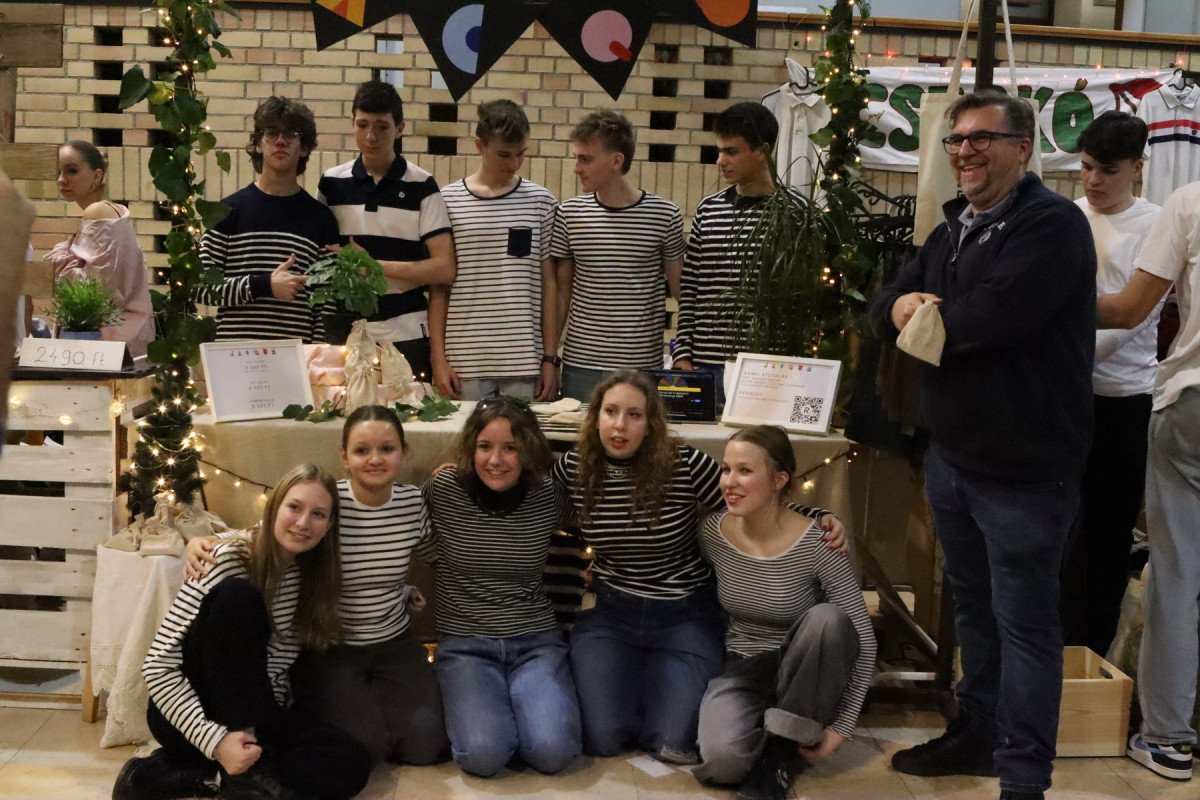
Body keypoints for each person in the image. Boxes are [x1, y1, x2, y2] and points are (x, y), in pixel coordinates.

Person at [867, 89, 1096, 800]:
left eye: (980, 138)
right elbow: (883, 305)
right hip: (954, 459)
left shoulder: (1052, 226)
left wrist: (921, 319)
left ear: (1023, 148)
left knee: (1025, 626)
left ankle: (1023, 778)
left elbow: (986, 323)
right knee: (972, 609)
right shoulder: (951, 228)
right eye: (956, 139)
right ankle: (977, 734)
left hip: (1026, 470)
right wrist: (905, 308)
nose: (964, 151)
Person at [549, 369, 842, 764]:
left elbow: (749, 501)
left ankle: (657, 690)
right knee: (602, 739)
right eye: (611, 412)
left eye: (634, 415)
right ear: (595, 416)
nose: (620, 426)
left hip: (683, 613)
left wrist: (816, 515)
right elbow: (538, 514)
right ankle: (635, 684)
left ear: (651, 423)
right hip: (612, 611)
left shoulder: (683, 463)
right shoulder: (573, 468)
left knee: (673, 742)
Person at [186, 406, 448, 768]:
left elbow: (436, 554)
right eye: (362, 450)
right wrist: (204, 541)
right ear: (344, 456)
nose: (375, 459)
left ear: (404, 452)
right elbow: (271, 532)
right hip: (332, 644)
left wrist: (458, 483)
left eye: (387, 449)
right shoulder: (327, 502)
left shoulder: (412, 503)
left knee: (425, 748)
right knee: (365, 752)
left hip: (393, 641)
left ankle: (385, 702)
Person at [113, 464, 371, 800]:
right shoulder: (224, 558)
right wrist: (217, 741)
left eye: (318, 514)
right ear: (274, 506)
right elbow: (157, 668)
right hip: (190, 711)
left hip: (258, 709)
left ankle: (196, 774)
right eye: (294, 507)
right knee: (240, 596)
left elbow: (277, 671)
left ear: (329, 525)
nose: (303, 523)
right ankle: (238, 773)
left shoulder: (311, 573)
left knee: (352, 763)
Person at [695, 426, 871, 800]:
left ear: (779, 480)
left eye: (745, 471)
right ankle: (774, 728)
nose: (729, 482)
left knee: (828, 619)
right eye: (726, 469)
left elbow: (863, 639)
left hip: (805, 670)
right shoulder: (712, 533)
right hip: (744, 665)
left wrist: (842, 726)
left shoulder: (820, 542)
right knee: (722, 764)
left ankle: (779, 755)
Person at [1098, 181, 1200, 783]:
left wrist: (1040, 297)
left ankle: (1168, 740)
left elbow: (1129, 309)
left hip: (1193, 403)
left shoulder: (1189, 202)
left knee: (1178, 574)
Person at [421, 396, 581, 776]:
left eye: (511, 447)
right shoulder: (444, 489)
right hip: (466, 644)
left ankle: (527, 713)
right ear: (470, 449)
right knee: (483, 756)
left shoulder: (546, 494)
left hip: (535, 641)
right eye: (485, 447)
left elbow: (596, 518)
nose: (496, 460)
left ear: (529, 449)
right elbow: (409, 527)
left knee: (553, 752)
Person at [1060, 111, 1163, 658]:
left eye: (1108, 170)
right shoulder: (1068, 217)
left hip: (1124, 397)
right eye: (1086, 168)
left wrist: (1067, 356)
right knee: (1058, 527)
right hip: (1065, 394)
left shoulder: (1157, 224)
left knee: (1106, 532)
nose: (1094, 180)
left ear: (1137, 168)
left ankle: (1092, 654)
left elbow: (1134, 317)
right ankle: (1052, 644)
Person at [318, 80, 455, 379]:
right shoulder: (331, 183)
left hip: (406, 335)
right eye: (362, 125)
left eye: (382, 127)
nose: (371, 136)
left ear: (400, 129)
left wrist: (375, 267)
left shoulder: (422, 184)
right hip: (343, 335)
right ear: (352, 123)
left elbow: (444, 269)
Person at [551, 112, 685, 400]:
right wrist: (549, 358)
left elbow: (682, 293)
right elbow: (562, 295)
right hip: (582, 364)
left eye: (585, 159)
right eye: (576, 158)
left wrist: (685, 353)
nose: (576, 168)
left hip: (640, 366)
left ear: (616, 161)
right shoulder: (569, 213)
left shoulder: (664, 215)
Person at [433, 100, 560, 401]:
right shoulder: (447, 201)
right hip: (465, 363)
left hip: (525, 362)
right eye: (504, 154)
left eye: (521, 154)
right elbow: (439, 288)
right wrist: (438, 358)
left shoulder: (542, 202)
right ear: (480, 145)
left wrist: (550, 358)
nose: (514, 164)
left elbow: (550, 287)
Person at [197, 97, 337, 342]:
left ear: (304, 148)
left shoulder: (321, 219)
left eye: (291, 134)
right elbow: (201, 288)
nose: (280, 141)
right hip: (236, 355)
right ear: (258, 145)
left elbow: (326, 304)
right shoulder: (226, 211)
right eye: (271, 133)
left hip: (296, 358)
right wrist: (264, 285)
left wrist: (314, 356)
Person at [673, 102, 780, 405]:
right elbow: (690, 288)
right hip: (704, 365)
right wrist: (682, 354)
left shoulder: (793, 213)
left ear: (762, 151)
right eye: (719, 151)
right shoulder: (709, 209)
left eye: (731, 151)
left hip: (763, 369)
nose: (720, 161)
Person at [45, 140, 153, 356]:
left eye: (71, 171)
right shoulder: (109, 211)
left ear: (97, 176)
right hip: (116, 338)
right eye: (58, 172)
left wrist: (59, 263)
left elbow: (94, 289)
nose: (61, 180)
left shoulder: (98, 213)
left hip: (106, 342)